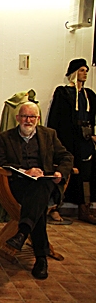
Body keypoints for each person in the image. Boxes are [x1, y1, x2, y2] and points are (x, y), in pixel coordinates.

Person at [0, 102, 73, 280]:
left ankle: (23, 233)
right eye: (24, 116)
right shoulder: (6, 137)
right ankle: (41, 258)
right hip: (18, 187)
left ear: (38, 118)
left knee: (41, 186)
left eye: (32, 117)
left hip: (44, 185)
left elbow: (67, 156)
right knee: (38, 204)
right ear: (17, 118)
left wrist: (61, 171)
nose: (28, 120)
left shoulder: (49, 135)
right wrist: (24, 171)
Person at [48, 58, 96, 224]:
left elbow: (92, 117)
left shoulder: (89, 95)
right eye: (82, 70)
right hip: (68, 139)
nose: (85, 73)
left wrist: (93, 134)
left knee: (86, 172)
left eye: (86, 70)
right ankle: (54, 207)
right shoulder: (63, 92)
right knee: (64, 171)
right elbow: (56, 118)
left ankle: (84, 207)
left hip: (85, 139)